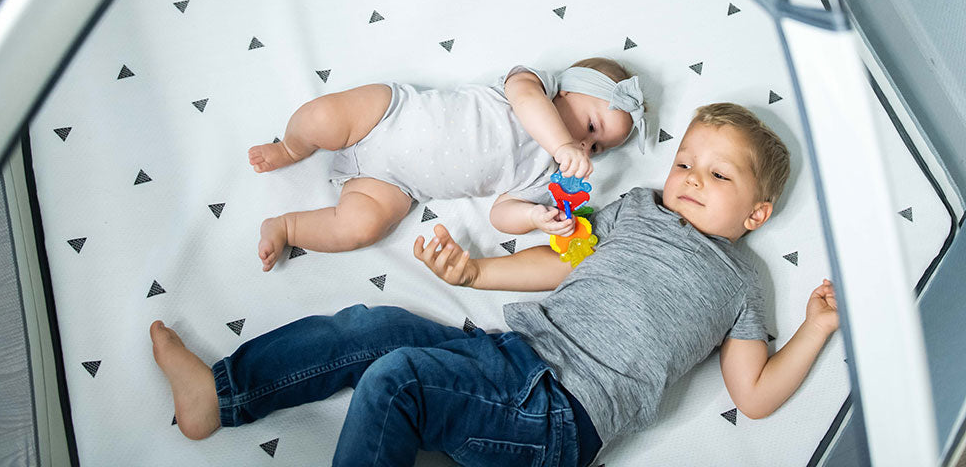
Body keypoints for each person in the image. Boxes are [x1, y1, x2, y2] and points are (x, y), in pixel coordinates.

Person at [150, 102, 839, 467]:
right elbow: (566, 260)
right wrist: (478, 273)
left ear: (756, 214)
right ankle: (220, 393)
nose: (689, 179)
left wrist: (815, 329)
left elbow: (752, 395)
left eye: (718, 176)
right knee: (377, 328)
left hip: (562, 416)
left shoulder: (741, 280)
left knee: (399, 378)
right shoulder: (637, 207)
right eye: (687, 161)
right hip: (510, 356)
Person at [246, 57, 646, 270]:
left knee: (360, 227)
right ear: (568, 89)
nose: (585, 144)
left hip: (396, 185)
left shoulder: (549, 174)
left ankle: (287, 227)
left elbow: (501, 215)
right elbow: (528, 102)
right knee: (321, 118)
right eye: (592, 126)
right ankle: (292, 149)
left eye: (596, 148)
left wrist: (534, 218)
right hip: (387, 113)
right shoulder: (535, 86)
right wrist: (561, 143)